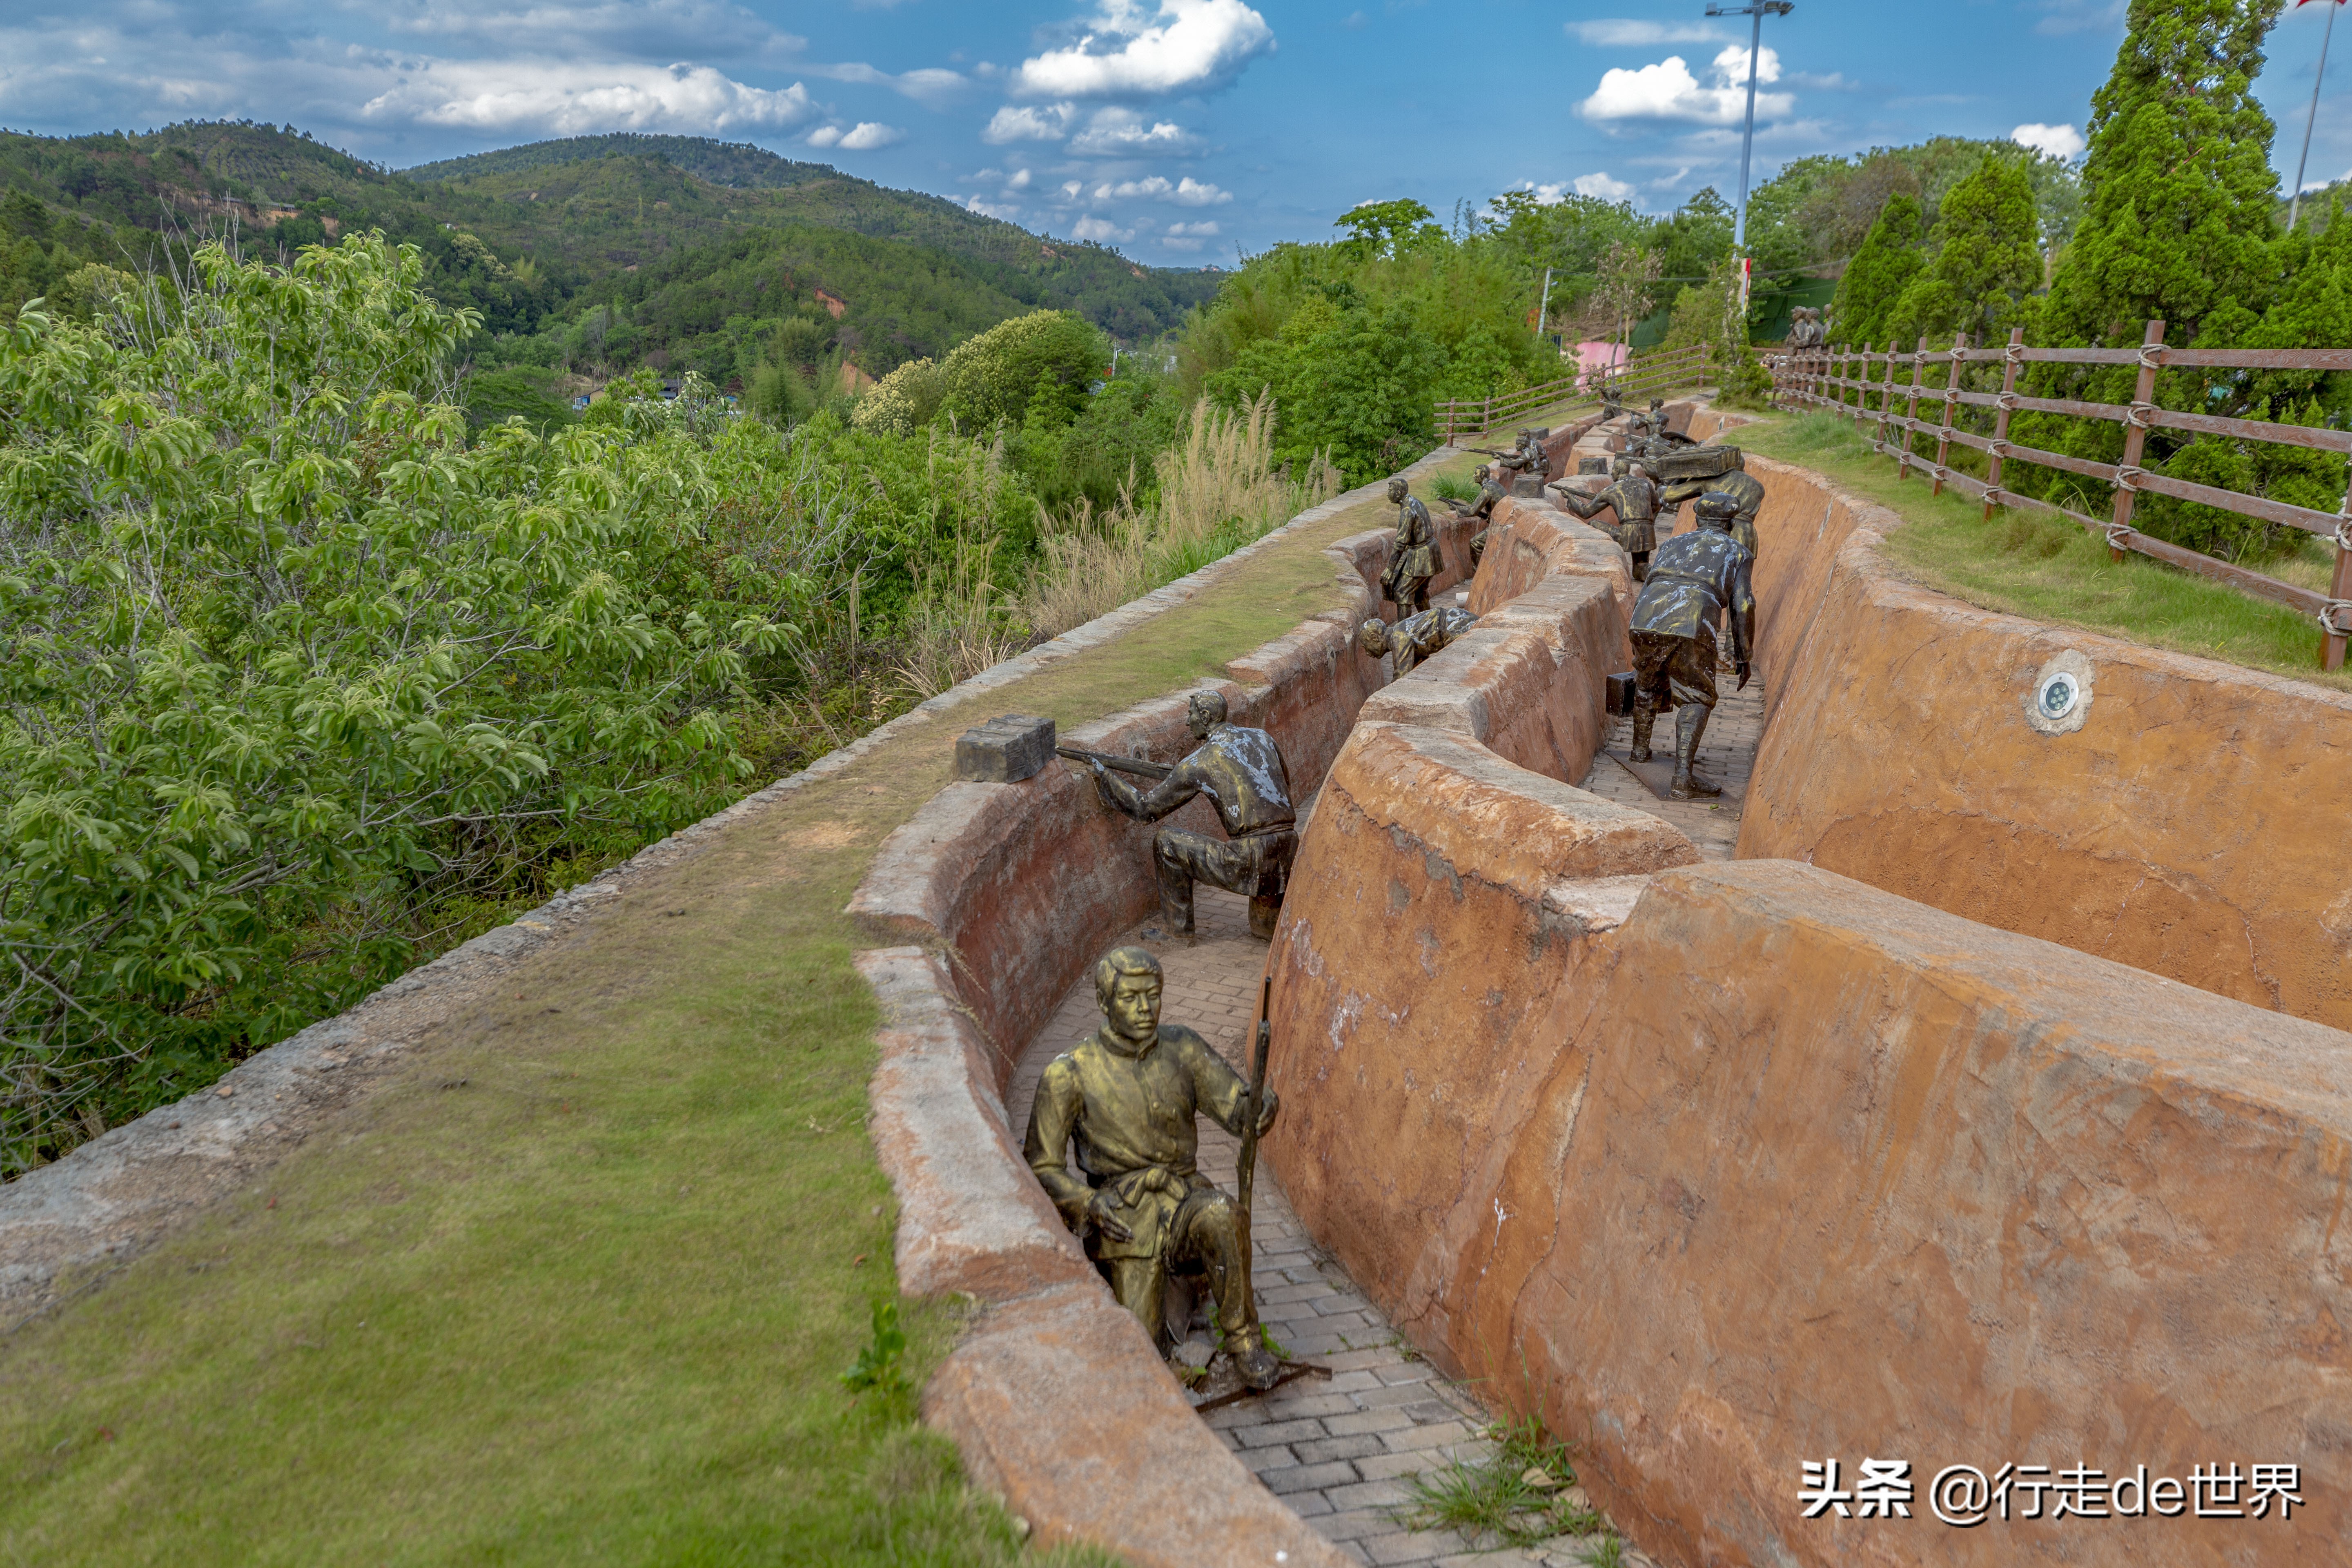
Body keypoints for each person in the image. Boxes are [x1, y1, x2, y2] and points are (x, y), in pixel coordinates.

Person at [1024, 946, 1282, 1389]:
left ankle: (1245, 1341)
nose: (1145, 1008)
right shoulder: (1069, 1074)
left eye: (1153, 995)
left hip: (1184, 1198)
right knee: (1142, 1353)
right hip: (1124, 1216)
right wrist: (1088, 1203)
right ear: (1104, 1002)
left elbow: (1238, 1108)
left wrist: (1260, 1106)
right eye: (1130, 998)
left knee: (1223, 1214)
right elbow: (1042, 1167)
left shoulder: (1183, 1048)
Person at [1086, 689, 1298, 940]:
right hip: (1288, 851)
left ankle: (1177, 932)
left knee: (1166, 843)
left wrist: (1105, 778)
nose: (1188, 722)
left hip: (1250, 859)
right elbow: (1284, 783)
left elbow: (1145, 809)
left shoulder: (1200, 762)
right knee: (1264, 927)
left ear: (1205, 717)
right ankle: (1270, 922)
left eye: (1191, 715)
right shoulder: (1263, 737)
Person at [1627, 490, 1755, 800]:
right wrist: (1743, 655)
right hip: (1692, 621)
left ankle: (1639, 752)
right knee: (1696, 696)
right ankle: (1683, 779)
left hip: (1645, 616)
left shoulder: (1672, 544)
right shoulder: (1738, 551)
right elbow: (1744, 605)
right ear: (1731, 524)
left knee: (1647, 682)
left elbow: (1649, 583)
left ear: (1697, 519)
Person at [1553, 460, 1662, 580]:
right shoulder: (1645, 484)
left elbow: (1585, 512)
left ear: (1618, 470)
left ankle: (1600, 563)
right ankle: (1653, 572)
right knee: (1639, 567)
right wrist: (1644, 519)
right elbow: (1656, 506)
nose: (1612, 473)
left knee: (1594, 524)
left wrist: (1570, 497)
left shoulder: (1612, 490)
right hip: (1648, 532)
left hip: (1628, 533)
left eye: (1613, 470)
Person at [1359, 605, 1477, 677]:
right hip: (1457, 620)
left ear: (1375, 638)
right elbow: (1416, 667)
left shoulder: (1399, 637)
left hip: (1457, 625)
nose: (1367, 653)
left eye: (1365, 646)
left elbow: (1401, 675)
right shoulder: (1400, 631)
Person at [1380, 477, 1439, 612]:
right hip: (1430, 550)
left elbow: (1401, 543)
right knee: (1419, 592)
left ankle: (1403, 626)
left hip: (1422, 554)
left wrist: (1390, 569)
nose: (1388, 494)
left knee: (1402, 592)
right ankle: (1428, 621)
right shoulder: (1416, 502)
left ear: (1399, 493)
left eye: (1390, 491)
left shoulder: (1407, 510)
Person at [1445, 464, 1507, 572]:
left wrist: (1457, 508)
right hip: (1502, 523)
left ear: (1483, 475)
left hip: (1500, 527)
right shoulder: (1494, 485)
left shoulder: (1488, 489)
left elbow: (1473, 510)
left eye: (1476, 473)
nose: (1474, 476)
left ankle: (1480, 574)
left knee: (1475, 543)